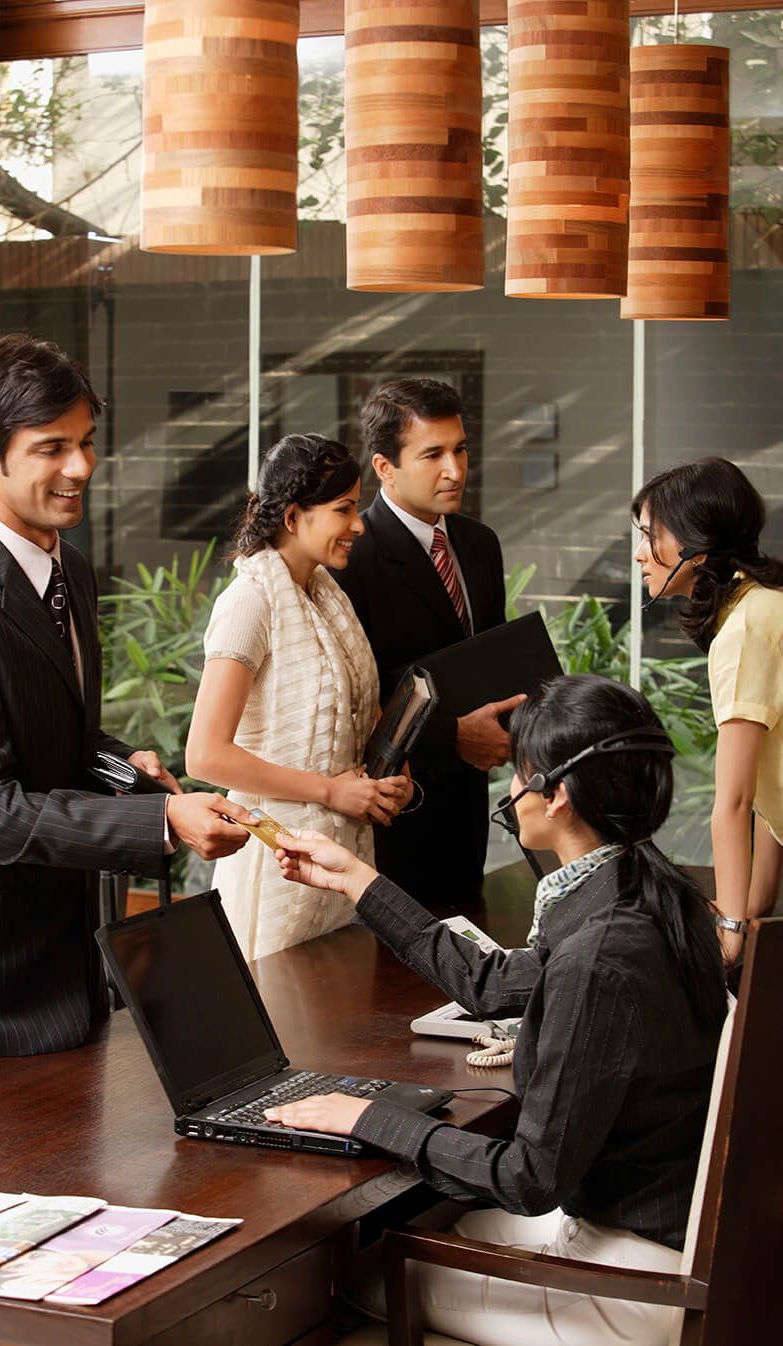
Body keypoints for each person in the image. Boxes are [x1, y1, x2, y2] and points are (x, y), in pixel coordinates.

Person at [266, 674, 727, 1346]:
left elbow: (529, 1178)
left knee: (352, 1287)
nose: (510, 792)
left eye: (519, 775)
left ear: (558, 794)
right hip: (669, 1228)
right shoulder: (653, 891)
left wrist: (373, 1118)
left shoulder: (597, 956)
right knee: (432, 1228)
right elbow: (489, 983)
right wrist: (355, 879)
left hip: (637, 1283)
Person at [0, 333, 251, 1087]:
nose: (80, 468)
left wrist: (137, 775)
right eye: (52, 448)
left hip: (69, 966)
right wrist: (158, 824)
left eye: (86, 443)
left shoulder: (69, 569)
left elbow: (73, 740)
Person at [185, 433, 409, 959]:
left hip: (344, 859)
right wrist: (331, 792)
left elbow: (357, 717)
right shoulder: (249, 602)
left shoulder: (328, 593)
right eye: (344, 509)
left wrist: (385, 779)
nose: (358, 524)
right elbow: (205, 754)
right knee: (292, 1027)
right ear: (291, 517)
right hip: (276, 862)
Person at [333, 378, 522, 912]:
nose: (455, 470)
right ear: (384, 468)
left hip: (470, 801)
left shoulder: (480, 544)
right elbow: (355, 693)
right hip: (398, 806)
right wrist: (453, 734)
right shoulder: (353, 558)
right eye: (433, 454)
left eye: (460, 449)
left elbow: (489, 656)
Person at [633, 456, 783, 961]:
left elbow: (735, 800)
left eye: (649, 535)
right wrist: (756, 905)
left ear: (693, 545)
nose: (639, 553)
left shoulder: (744, 630)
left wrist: (732, 929)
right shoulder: (763, 603)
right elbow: (768, 790)